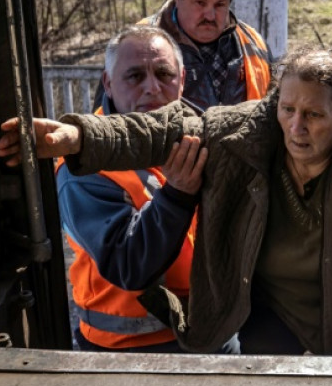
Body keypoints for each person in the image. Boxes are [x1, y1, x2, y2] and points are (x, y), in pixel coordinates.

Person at [0, 47, 332, 356]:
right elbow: (162, 129)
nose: (296, 128)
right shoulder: (244, 131)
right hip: (261, 319)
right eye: (287, 109)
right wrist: (77, 138)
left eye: (314, 115)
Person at [57, 25, 231, 353]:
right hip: (128, 349)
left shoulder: (206, 134)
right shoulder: (82, 164)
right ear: (108, 84)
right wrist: (177, 196)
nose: (152, 88)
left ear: (182, 80)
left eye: (163, 74)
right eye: (134, 76)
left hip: (211, 331)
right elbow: (128, 263)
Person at [138, 0, 271, 112]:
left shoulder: (253, 43)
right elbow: (105, 122)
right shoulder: (137, 44)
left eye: (220, 4)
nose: (210, 15)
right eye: (200, 2)